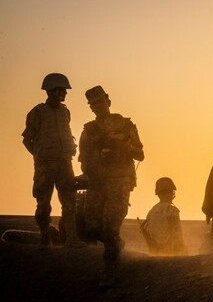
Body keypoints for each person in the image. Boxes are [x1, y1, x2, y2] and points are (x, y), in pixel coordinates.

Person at [78, 85, 145, 287]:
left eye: (100, 102)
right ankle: (117, 243)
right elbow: (84, 159)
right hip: (97, 182)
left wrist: (120, 146)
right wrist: (97, 160)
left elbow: (140, 154)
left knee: (109, 226)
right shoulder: (89, 130)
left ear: (108, 100)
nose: (98, 107)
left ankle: (110, 273)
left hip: (120, 180)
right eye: (93, 104)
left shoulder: (125, 124)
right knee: (90, 224)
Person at [21, 73, 86, 248]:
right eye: (62, 90)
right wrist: (39, 156)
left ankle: (72, 239)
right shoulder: (37, 113)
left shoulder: (66, 112)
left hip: (65, 163)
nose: (65, 93)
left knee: (69, 201)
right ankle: (45, 236)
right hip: (45, 165)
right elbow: (27, 139)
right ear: (52, 91)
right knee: (43, 204)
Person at [141, 177, 187, 256]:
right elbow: (178, 235)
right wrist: (185, 253)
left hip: (156, 252)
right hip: (170, 252)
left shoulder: (151, 212)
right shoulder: (171, 210)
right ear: (170, 193)